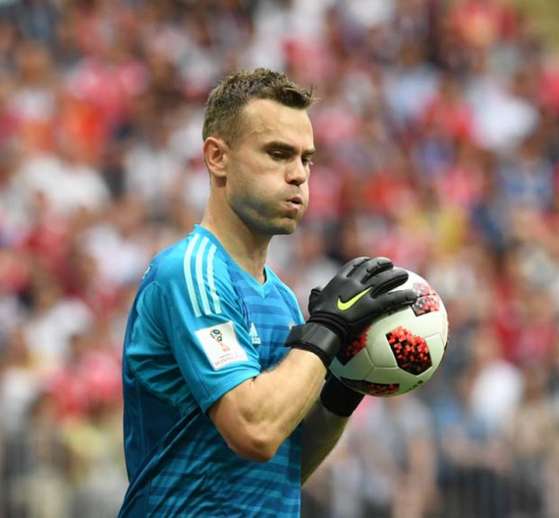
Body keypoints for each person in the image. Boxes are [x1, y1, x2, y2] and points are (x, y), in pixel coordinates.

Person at [118, 68, 417, 516]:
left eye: (306, 159)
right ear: (217, 158)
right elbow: (253, 431)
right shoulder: (190, 273)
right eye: (278, 153)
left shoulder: (280, 297)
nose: (298, 175)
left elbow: (283, 463)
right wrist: (326, 329)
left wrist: (343, 385)